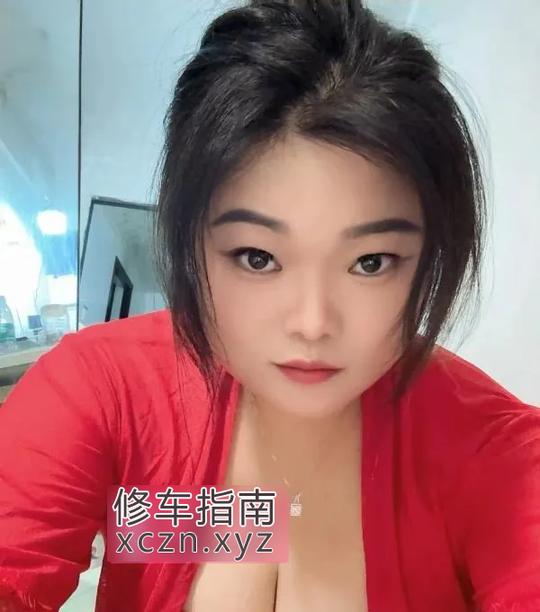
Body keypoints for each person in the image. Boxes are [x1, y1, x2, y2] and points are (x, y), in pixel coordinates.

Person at [1, 0, 539, 610]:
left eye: (370, 262)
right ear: (189, 239)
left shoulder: (495, 457)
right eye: (258, 257)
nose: (312, 323)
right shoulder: (105, 390)